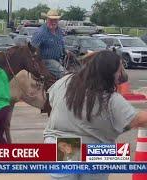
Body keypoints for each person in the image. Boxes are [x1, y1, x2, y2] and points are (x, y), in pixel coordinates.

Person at [44, 50, 147, 180]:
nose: (121, 75)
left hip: (60, 144)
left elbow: (51, 101)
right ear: (108, 73)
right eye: (119, 71)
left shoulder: (64, 82)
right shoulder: (110, 99)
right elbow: (138, 120)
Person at [31, 9, 66, 79]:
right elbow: (32, 49)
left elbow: (61, 44)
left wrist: (65, 51)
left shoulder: (59, 30)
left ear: (58, 20)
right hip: (46, 61)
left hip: (59, 59)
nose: (53, 22)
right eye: (51, 20)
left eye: (55, 20)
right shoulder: (40, 32)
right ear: (47, 20)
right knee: (64, 74)